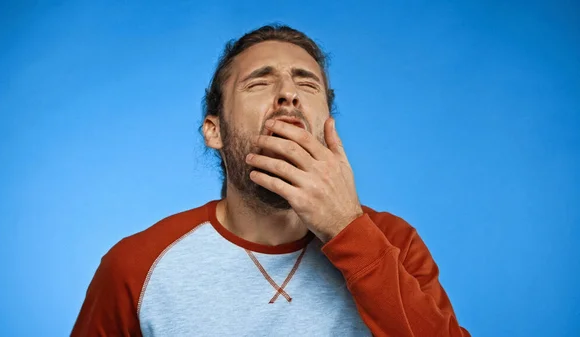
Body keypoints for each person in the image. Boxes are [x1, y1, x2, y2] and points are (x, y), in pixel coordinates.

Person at [71, 24, 471, 337]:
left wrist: (349, 230)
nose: (288, 95)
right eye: (260, 83)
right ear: (215, 130)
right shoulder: (135, 266)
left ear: (327, 122)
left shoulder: (394, 242)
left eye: (307, 84)